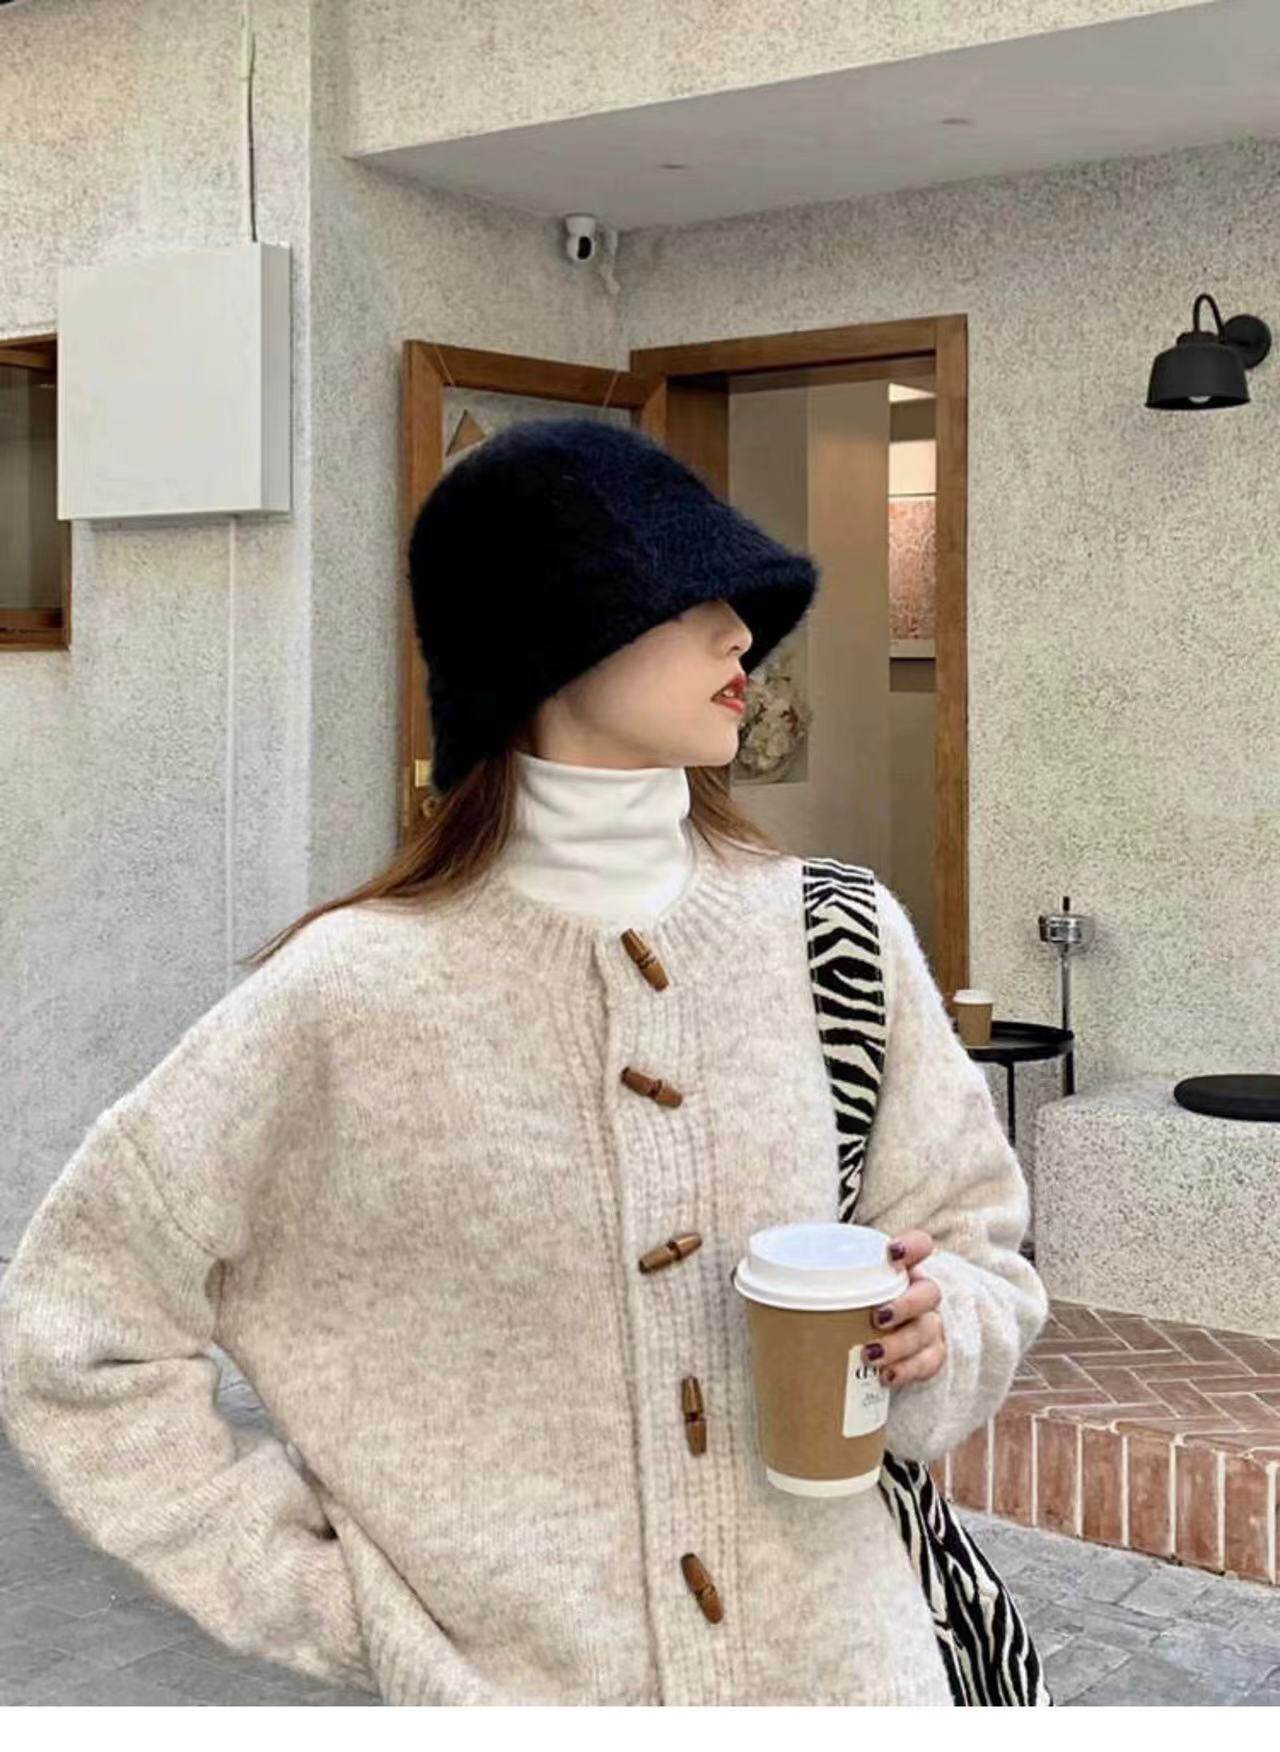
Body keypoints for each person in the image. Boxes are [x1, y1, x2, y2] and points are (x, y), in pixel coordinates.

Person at [0, 418, 1048, 1707]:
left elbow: (977, 1244)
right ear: (556, 629)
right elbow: (75, 1338)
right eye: (691, 594)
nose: (741, 634)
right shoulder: (350, 994)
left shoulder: (836, 936)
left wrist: (943, 1326)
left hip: (862, 1686)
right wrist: (345, 1605)